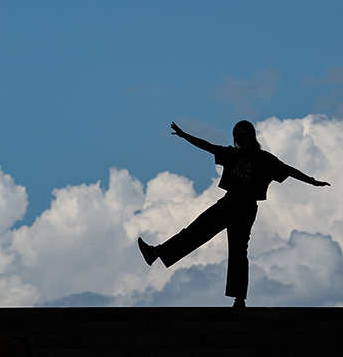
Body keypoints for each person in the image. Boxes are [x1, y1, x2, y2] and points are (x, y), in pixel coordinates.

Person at [138, 121, 330, 307]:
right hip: (228, 202)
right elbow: (208, 147)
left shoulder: (265, 159)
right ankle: (156, 252)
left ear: (252, 136)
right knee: (195, 231)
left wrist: (312, 181)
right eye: (237, 137)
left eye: (244, 136)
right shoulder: (232, 154)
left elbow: (289, 170)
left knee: (238, 252)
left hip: (246, 208)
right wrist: (184, 135)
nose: (240, 140)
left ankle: (239, 299)